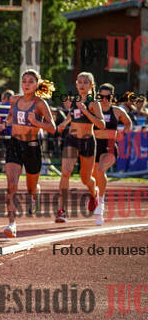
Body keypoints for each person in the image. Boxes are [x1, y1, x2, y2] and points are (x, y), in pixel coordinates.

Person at [0, 71, 56, 238]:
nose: (27, 84)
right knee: (11, 185)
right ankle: (12, 224)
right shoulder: (14, 100)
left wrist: (36, 122)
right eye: (24, 81)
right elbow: (10, 116)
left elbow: (52, 128)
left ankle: (35, 194)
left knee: (31, 188)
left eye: (30, 81)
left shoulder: (40, 104)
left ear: (37, 84)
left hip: (32, 147)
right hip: (15, 144)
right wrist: (5, 124)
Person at [55, 72, 105, 223]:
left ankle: (94, 193)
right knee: (66, 172)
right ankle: (61, 210)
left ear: (91, 85)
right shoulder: (74, 100)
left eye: (85, 82)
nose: (82, 85)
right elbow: (72, 115)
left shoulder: (94, 103)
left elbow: (101, 124)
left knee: (86, 178)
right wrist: (64, 123)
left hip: (88, 141)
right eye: (80, 82)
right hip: (72, 140)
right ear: (76, 84)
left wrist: (86, 111)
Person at [92, 83, 132, 225]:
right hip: (94, 146)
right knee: (93, 178)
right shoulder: (93, 110)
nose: (104, 99)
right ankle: (95, 197)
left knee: (100, 170)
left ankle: (100, 204)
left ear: (112, 97)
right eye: (101, 96)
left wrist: (123, 133)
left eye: (107, 97)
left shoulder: (117, 111)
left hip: (109, 147)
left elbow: (128, 123)